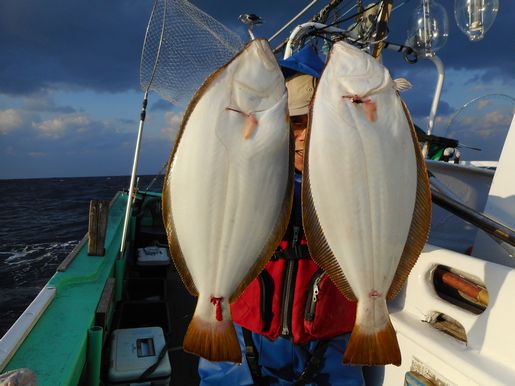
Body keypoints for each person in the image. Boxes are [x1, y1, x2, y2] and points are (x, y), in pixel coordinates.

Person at [198, 56, 364, 386]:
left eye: (319, 123)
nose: (305, 136)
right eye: (296, 122)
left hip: (329, 340)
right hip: (246, 336)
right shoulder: (242, 174)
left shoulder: (359, 183)